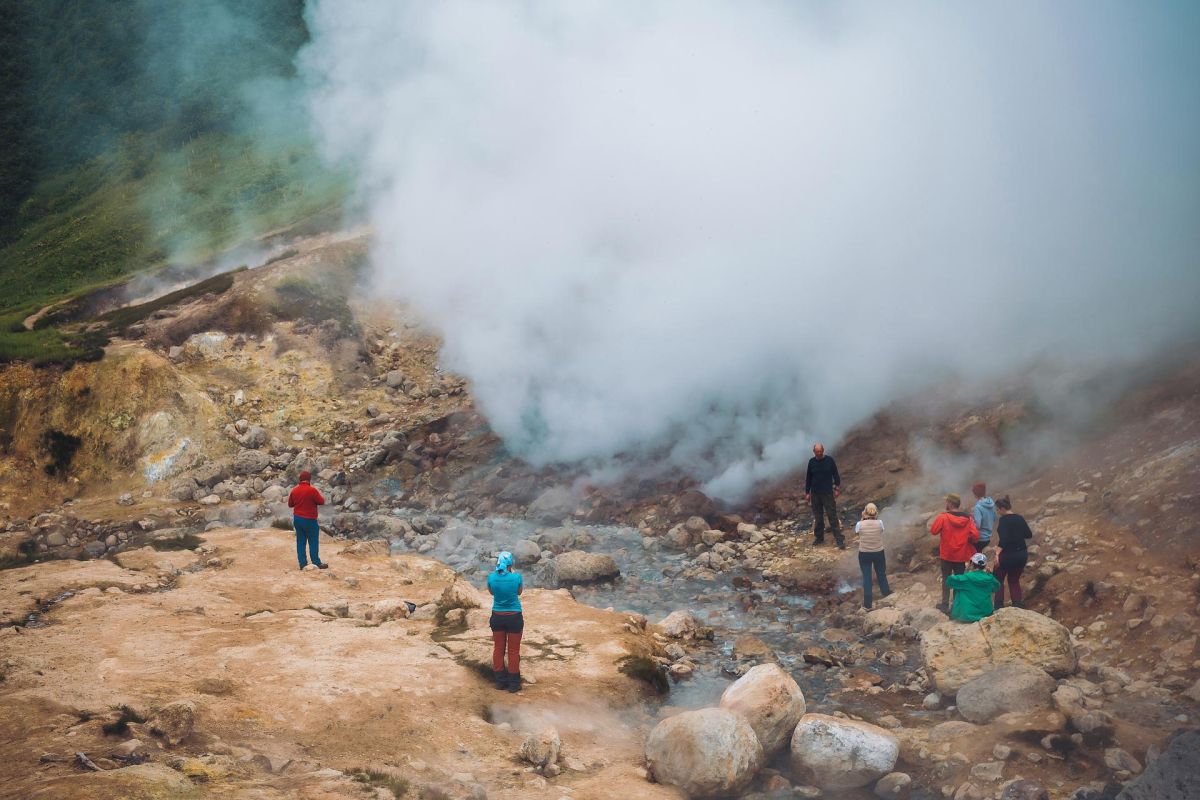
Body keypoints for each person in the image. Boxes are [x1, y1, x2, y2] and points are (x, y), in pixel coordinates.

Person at [930, 493, 979, 612]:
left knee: (946, 578)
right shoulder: (967, 518)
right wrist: (967, 538)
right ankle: (957, 605)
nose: (946, 504)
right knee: (959, 580)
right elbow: (976, 536)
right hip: (961, 555)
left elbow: (933, 531)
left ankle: (945, 604)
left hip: (947, 554)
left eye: (947, 502)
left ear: (950, 503)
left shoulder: (943, 517)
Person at [487, 551, 524, 693]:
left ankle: (500, 682)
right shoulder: (516, 577)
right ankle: (514, 684)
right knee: (513, 651)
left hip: (497, 616)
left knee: (498, 649)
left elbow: (492, 593)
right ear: (510, 565)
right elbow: (519, 592)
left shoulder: (491, 577)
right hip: (514, 616)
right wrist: (512, 574)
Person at [993, 495, 1033, 608]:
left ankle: (998, 605)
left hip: (1008, 555)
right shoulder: (1020, 518)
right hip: (1021, 554)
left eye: (997, 509)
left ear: (1002, 508)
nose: (997, 512)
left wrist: (997, 554)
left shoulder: (1003, 520)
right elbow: (1028, 535)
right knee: (1014, 580)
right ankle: (1017, 603)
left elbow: (1004, 540)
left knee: (998, 578)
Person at [805, 443, 844, 548]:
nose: (819, 453)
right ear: (814, 452)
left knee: (832, 516)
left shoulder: (829, 460)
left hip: (827, 493)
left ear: (823, 450)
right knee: (818, 517)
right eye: (817, 452)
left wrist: (837, 488)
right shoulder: (811, 462)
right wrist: (807, 492)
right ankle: (819, 538)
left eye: (820, 451)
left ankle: (839, 539)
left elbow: (836, 474)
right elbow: (808, 477)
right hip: (815, 494)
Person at [288, 471, 327, 569]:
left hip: (297, 519)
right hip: (310, 520)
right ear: (309, 479)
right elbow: (321, 501)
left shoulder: (294, 490)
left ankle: (302, 564)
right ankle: (316, 562)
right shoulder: (312, 490)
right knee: (313, 541)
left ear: (300, 479)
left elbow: (290, 504)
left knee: (300, 541)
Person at [946, 552, 1001, 622]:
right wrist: (990, 574)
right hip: (986, 613)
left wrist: (966, 570)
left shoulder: (966, 578)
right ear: (985, 566)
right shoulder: (989, 578)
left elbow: (949, 582)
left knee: (960, 587)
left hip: (968, 615)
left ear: (972, 564)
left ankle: (956, 614)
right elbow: (997, 587)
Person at [855, 502, 891, 609]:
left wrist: (862, 519)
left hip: (864, 553)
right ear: (876, 512)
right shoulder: (880, 523)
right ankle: (886, 592)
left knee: (867, 577)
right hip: (878, 552)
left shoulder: (859, 524)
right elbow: (881, 531)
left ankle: (868, 603)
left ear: (864, 512)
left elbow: (857, 532)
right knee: (881, 573)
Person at [971, 482, 996, 554]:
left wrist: (972, 521)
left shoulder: (978, 507)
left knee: (975, 559)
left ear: (975, 494)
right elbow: (994, 518)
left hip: (979, 538)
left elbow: (978, 525)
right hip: (988, 537)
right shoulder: (991, 504)